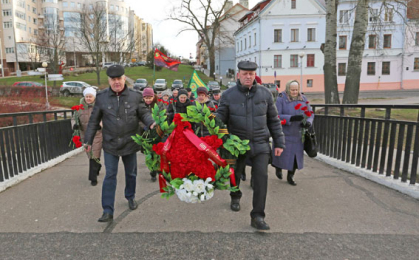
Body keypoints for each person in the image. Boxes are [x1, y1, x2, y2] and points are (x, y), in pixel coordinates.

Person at [217, 61, 285, 231]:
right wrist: (221, 136)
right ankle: (235, 195)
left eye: (251, 74)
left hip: (261, 143)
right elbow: (220, 120)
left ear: (255, 75)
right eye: (245, 73)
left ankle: (258, 216)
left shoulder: (265, 94)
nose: (248, 76)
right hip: (237, 144)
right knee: (236, 174)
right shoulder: (228, 95)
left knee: (261, 178)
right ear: (238, 75)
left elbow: (274, 120)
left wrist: (279, 142)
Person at [84, 65, 155, 223]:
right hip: (110, 144)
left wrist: (151, 123)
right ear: (109, 81)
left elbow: (144, 113)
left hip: (130, 142)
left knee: (131, 174)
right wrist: (87, 140)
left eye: (119, 79)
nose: (116, 82)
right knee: (110, 175)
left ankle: (130, 196)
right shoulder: (101, 97)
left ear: (124, 78)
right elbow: (94, 121)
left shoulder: (135, 96)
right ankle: (107, 210)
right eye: (113, 79)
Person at [272, 80, 314, 186]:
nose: (295, 92)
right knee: (281, 155)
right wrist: (291, 118)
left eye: (296, 89)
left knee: (295, 158)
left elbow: (310, 113)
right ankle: (278, 168)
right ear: (288, 89)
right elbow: (276, 115)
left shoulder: (303, 99)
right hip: (284, 133)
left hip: (298, 134)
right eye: (292, 90)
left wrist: (308, 123)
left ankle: (290, 176)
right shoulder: (281, 98)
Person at [72, 87, 103, 186]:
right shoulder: (79, 108)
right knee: (90, 154)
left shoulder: (99, 106)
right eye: (87, 96)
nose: (88, 98)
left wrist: (101, 125)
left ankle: (93, 178)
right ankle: (97, 166)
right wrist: (75, 125)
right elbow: (73, 118)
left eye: (90, 96)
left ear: (94, 97)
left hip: (97, 134)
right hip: (84, 134)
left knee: (94, 154)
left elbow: (105, 118)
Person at [141, 87, 165, 182]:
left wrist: (157, 124)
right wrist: (145, 125)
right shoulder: (141, 106)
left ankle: (158, 169)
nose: (148, 100)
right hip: (146, 132)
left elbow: (163, 115)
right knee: (150, 153)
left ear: (153, 96)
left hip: (157, 131)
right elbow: (138, 118)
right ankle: (152, 171)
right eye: (146, 98)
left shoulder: (159, 105)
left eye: (150, 97)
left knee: (158, 152)